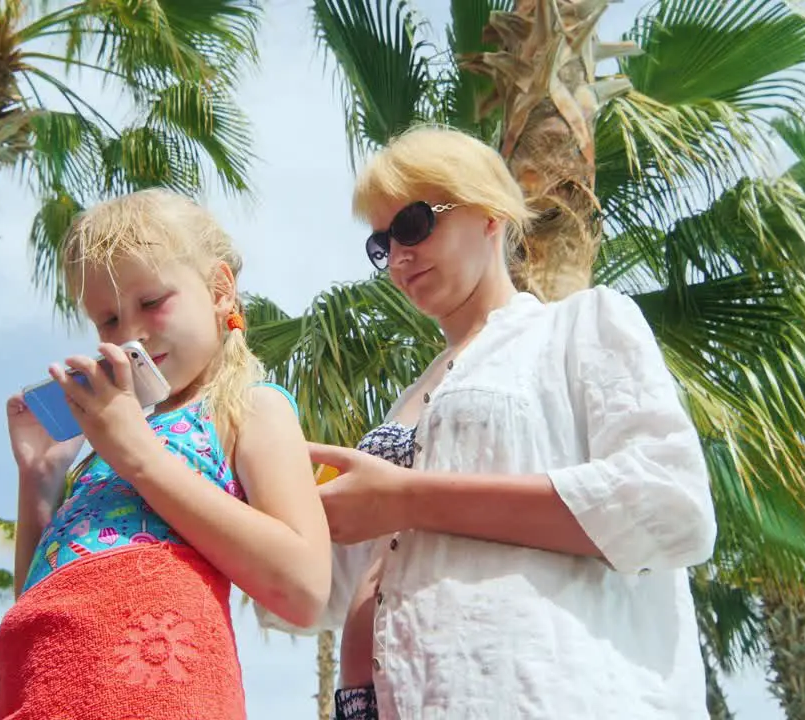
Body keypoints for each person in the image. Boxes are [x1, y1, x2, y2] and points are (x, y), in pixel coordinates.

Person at [258, 126, 718, 719]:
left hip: (538, 693)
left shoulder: (580, 327)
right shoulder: (407, 398)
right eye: (380, 244)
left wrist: (409, 498)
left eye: (415, 225)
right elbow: (320, 589)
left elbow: (668, 505)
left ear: (490, 214)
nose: (398, 256)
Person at [0, 188, 332, 720]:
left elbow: (305, 587)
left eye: (151, 302)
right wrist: (39, 476)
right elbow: (38, 602)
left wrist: (138, 455)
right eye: (107, 320)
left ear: (220, 290)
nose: (131, 335)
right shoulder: (110, 445)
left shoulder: (249, 408)